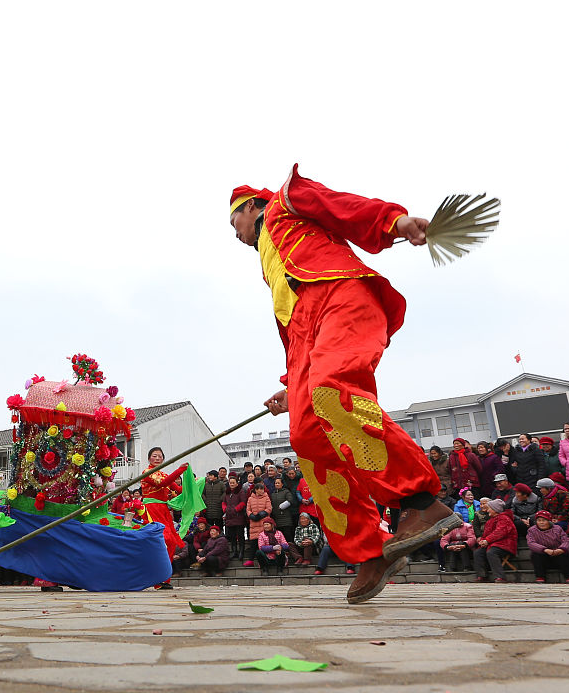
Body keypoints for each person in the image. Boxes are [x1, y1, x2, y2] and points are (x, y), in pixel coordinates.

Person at [228, 174, 457, 605]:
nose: (235, 235)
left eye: (233, 223)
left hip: (342, 297)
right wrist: (291, 385)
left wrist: (395, 222)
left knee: (333, 388)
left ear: (249, 207)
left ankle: (420, 500)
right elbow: (295, 328)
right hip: (305, 335)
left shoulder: (286, 201)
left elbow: (341, 205)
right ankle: (371, 549)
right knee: (307, 435)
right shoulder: (270, 263)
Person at [137, 446, 189, 590]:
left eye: (160, 456)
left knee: (171, 542)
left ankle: (163, 579)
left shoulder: (164, 474)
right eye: (154, 456)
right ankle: (154, 577)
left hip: (164, 510)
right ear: (149, 458)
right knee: (162, 540)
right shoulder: (147, 472)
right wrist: (179, 471)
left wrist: (192, 483)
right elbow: (161, 484)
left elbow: (178, 490)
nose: (157, 458)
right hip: (151, 510)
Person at [472, 499, 516, 583]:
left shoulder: (504, 519)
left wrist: (487, 540)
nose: (487, 510)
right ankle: (482, 575)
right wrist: (482, 540)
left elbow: (500, 532)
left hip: (505, 544)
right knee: (478, 552)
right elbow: (486, 534)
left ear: (495, 510)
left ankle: (500, 576)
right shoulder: (491, 520)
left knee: (492, 552)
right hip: (493, 543)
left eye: (489, 508)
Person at [526, 510, 569, 583]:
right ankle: (540, 576)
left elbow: (566, 541)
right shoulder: (532, 530)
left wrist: (560, 550)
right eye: (539, 520)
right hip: (544, 555)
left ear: (549, 521)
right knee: (535, 555)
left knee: (565, 554)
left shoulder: (557, 528)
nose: (541, 522)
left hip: (558, 554)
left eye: (544, 520)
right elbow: (531, 543)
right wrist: (545, 550)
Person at [221, 476, 248, 563]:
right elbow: (224, 502)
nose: (231, 484)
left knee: (240, 535)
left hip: (238, 516)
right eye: (230, 483)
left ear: (237, 483)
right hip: (229, 517)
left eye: (233, 483)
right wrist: (225, 509)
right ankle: (234, 551)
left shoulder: (241, 491)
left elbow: (243, 502)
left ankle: (241, 551)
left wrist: (236, 509)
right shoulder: (227, 492)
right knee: (232, 536)